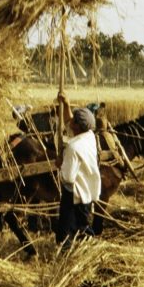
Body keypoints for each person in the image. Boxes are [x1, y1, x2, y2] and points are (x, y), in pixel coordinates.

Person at [55, 92, 102, 249]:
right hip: (88, 193)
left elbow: (67, 177)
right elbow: (69, 121)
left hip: (74, 195)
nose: (70, 122)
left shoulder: (73, 147)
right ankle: (88, 251)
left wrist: (60, 164)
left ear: (76, 126)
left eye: (73, 121)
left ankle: (68, 262)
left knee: (65, 233)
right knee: (84, 228)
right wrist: (67, 104)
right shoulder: (90, 136)